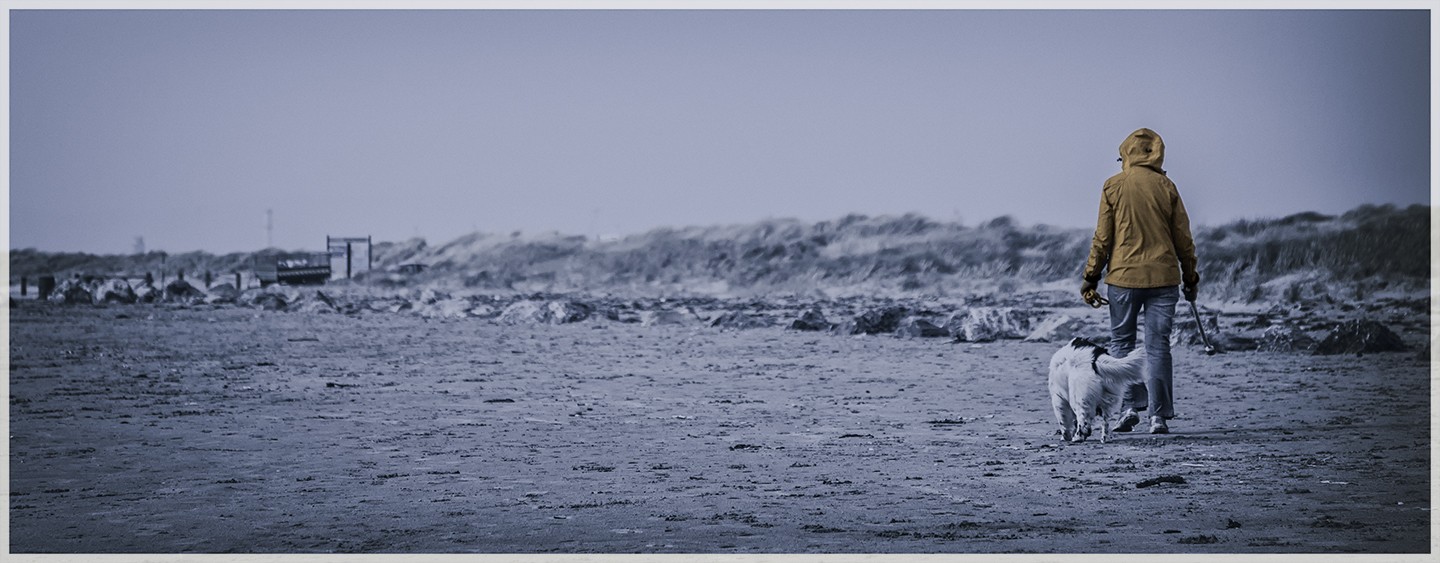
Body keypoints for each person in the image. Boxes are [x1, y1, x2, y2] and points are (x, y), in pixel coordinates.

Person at [1080, 128, 1199, 435]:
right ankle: (1158, 417)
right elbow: (1183, 238)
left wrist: (1090, 278)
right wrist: (1191, 277)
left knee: (1121, 344)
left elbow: (1102, 239)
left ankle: (1130, 408)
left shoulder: (1113, 186)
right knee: (1158, 347)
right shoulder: (1167, 186)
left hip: (1122, 279)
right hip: (1164, 278)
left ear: (1127, 156)